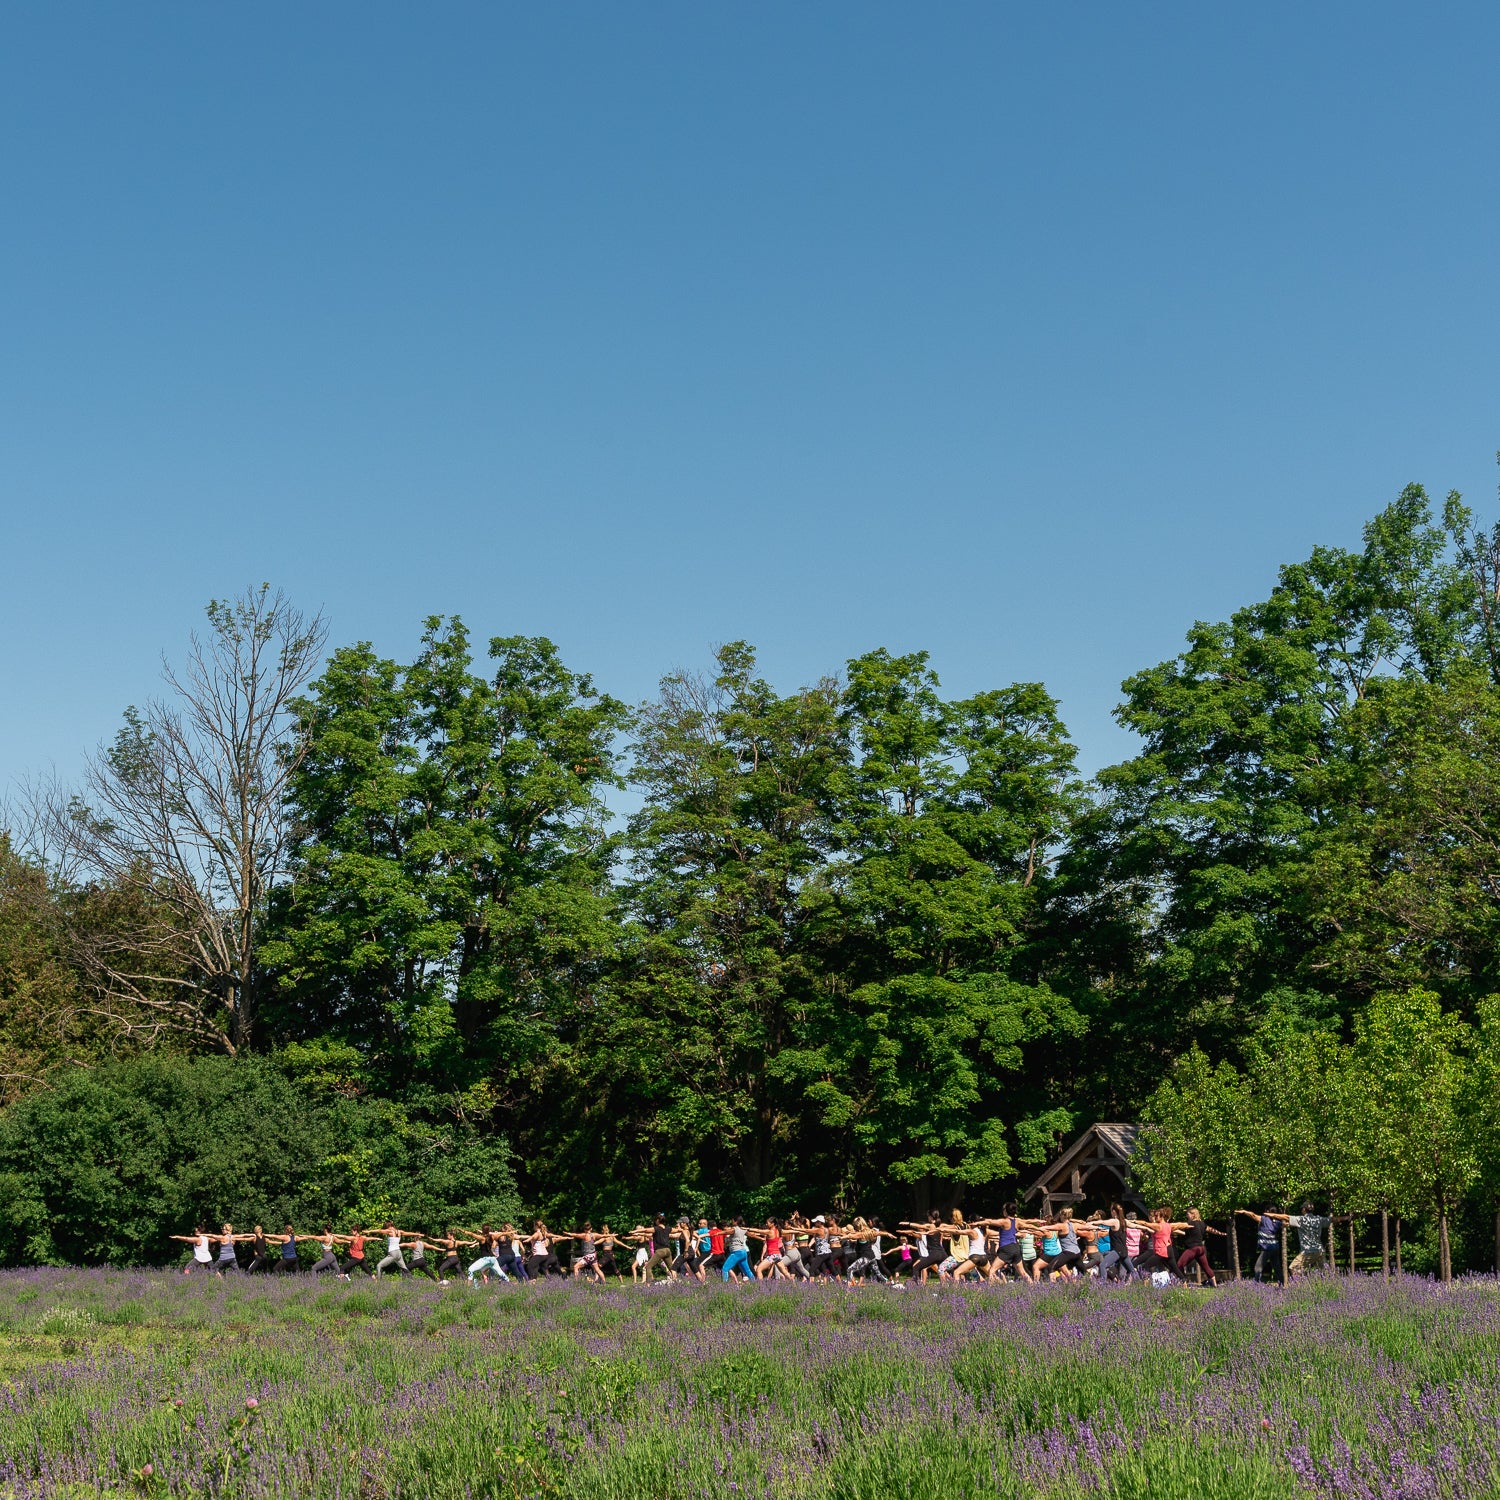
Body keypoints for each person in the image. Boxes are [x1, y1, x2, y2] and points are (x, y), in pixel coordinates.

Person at [1267, 1203, 1331, 1275]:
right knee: (1324, 1273)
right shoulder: (1319, 1219)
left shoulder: (1301, 1219)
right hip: (1320, 1251)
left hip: (1308, 1251)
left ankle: (1303, 1283)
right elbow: (1332, 1220)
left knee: (1293, 1268)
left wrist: (1270, 1214)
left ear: (1304, 1209)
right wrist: (1345, 1218)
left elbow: (1286, 1217)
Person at [1170, 1208, 1223, 1287]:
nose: (1186, 1215)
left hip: (1193, 1248)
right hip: (1201, 1249)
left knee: (1179, 1265)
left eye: (1188, 1214)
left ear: (1193, 1215)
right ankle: (1215, 1285)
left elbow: (1179, 1225)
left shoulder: (1190, 1223)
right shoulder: (1202, 1224)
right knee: (1206, 1267)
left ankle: (1184, 1283)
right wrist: (1221, 1234)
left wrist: (1167, 1226)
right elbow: (1211, 1230)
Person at [1238, 1205, 1283, 1282]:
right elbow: (1285, 1224)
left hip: (1267, 1248)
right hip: (1275, 1247)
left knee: (1258, 1268)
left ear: (1268, 1211)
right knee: (1277, 1268)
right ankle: (1282, 1285)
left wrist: (1244, 1212)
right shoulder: (1278, 1222)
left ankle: (1256, 1286)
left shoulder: (1264, 1219)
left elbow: (1253, 1215)